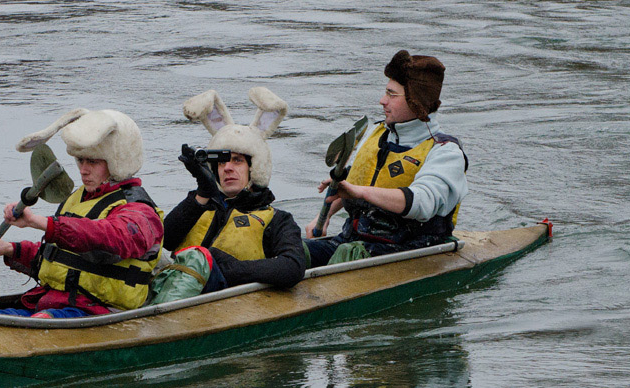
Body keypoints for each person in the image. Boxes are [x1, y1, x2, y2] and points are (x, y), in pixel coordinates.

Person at [0, 108, 164, 318]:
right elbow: (62, 259)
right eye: (80, 160)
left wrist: (41, 223)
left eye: (93, 162)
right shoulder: (80, 198)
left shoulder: (140, 212)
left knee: (38, 322)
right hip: (53, 303)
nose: (83, 170)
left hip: (97, 312)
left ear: (116, 161)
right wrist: (10, 249)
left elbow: (112, 237)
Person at [305, 50, 468, 266]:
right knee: (288, 248)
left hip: (411, 252)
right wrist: (323, 216)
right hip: (353, 242)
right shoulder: (376, 134)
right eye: (385, 92)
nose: (382, 101)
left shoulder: (446, 153)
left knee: (348, 254)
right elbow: (355, 180)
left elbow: (422, 202)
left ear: (415, 99)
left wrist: (361, 192)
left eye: (392, 95)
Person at [163, 87, 306, 290]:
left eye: (237, 161)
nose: (228, 168)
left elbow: (293, 267)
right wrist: (202, 192)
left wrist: (227, 270)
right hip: (176, 292)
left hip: (229, 300)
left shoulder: (278, 220)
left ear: (253, 168)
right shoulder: (199, 205)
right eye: (222, 163)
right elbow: (165, 240)